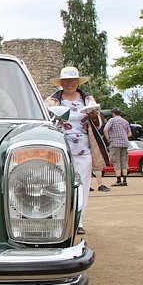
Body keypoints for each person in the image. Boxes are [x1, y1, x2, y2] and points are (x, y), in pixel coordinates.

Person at [45, 66, 107, 235]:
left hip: (83, 150)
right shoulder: (52, 101)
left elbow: (98, 124)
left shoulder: (88, 100)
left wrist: (93, 116)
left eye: (72, 80)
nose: (69, 84)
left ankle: (79, 221)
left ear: (78, 82)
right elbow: (44, 121)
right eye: (66, 81)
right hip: (60, 150)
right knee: (57, 185)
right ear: (61, 83)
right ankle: (57, 219)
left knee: (82, 186)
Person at [104, 107, 132, 187]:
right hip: (125, 143)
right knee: (124, 161)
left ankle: (118, 180)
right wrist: (124, 137)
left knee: (117, 162)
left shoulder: (112, 120)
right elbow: (130, 134)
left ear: (113, 113)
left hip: (115, 143)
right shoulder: (125, 121)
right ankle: (125, 180)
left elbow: (105, 130)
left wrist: (108, 139)